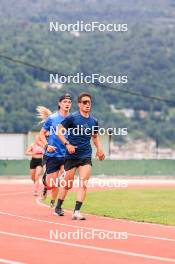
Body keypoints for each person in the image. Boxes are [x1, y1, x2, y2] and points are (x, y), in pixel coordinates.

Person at [55, 92, 105, 220]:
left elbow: (95, 137)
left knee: (83, 183)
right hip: (71, 155)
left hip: (85, 155)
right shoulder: (72, 118)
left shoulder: (94, 121)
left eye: (89, 102)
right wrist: (67, 144)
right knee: (68, 185)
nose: (87, 104)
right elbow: (59, 132)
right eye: (84, 102)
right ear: (79, 104)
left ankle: (76, 212)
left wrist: (99, 149)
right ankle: (58, 206)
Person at [39, 93, 72, 207]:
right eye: (65, 102)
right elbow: (41, 134)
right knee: (51, 184)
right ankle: (46, 186)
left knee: (64, 178)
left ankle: (56, 203)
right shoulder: (52, 118)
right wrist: (46, 145)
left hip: (66, 155)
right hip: (52, 154)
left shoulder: (72, 119)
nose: (67, 104)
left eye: (69, 102)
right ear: (59, 104)